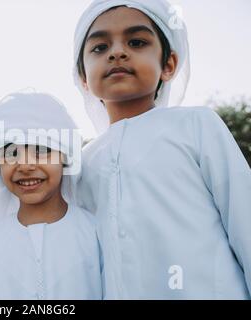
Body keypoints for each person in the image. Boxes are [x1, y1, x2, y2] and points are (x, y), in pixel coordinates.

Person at [73, 0, 251, 299]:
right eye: (100, 48)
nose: (117, 52)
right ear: (83, 79)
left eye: (137, 41)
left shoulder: (195, 125)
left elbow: (244, 215)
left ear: (168, 65)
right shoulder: (82, 163)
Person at [0, 92, 103, 299]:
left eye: (41, 149)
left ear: (65, 157)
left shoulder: (95, 232)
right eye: (11, 153)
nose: (26, 164)